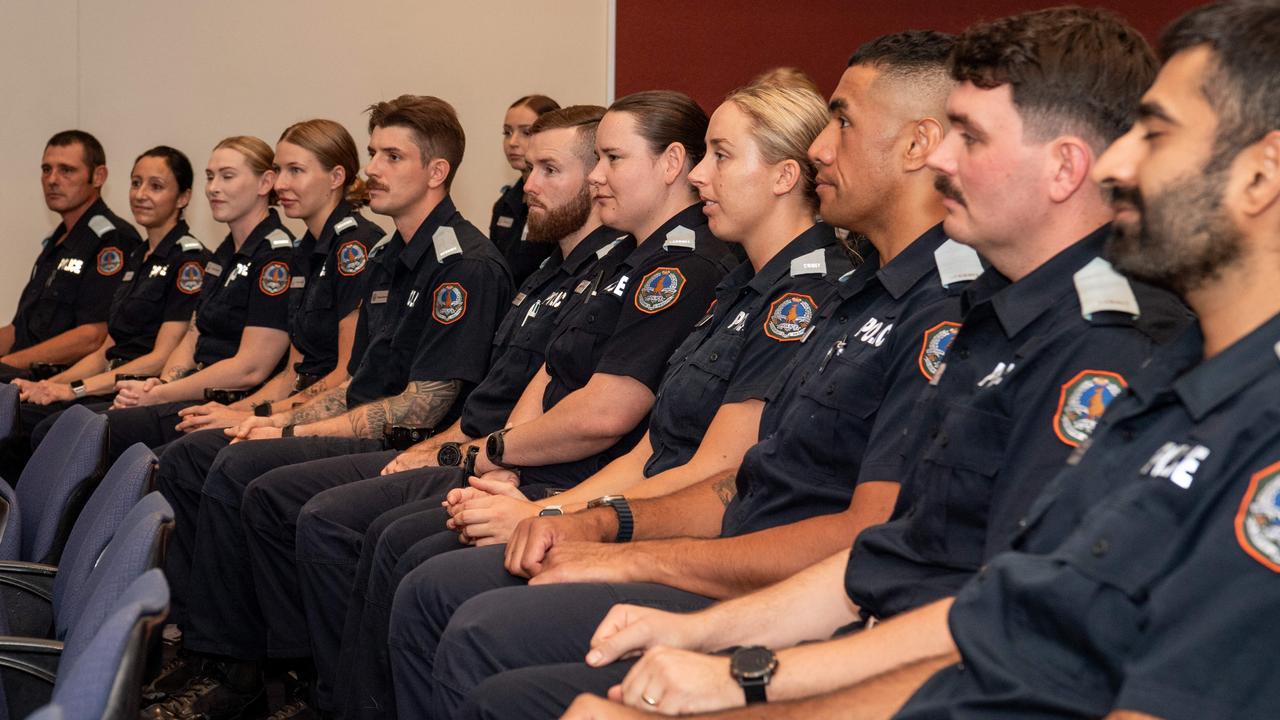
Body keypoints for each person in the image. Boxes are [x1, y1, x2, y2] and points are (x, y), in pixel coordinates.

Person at [395, 11, 1195, 717]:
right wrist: (616, 549)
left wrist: (744, 672)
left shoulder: (1087, 338)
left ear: (1063, 168)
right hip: (824, 616)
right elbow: (817, 522)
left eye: (971, 137)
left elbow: (991, 620)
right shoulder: (973, 310)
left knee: (482, 638)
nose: (943, 160)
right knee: (461, 609)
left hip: (884, 656)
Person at [568, 2, 1280, 718]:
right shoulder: (1164, 367)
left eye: (1155, 134)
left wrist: (746, 688)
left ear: (1263, 175)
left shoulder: (1124, 350)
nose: (1119, 163)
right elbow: (987, 609)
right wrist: (736, 661)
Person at [314, 82, 851, 719]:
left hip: (703, 539)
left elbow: (706, 468)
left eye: (721, 156)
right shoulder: (737, 284)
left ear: (785, 175)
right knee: (411, 562)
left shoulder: (792, 292)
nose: (704, 174)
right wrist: (528, 488)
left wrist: (562, 514)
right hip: (632, 505)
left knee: (440, 593)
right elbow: (652, 444)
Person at [144, 94, 513, 720]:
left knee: (250, 478)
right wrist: (270, 420)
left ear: (437, 171)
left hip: (406, 442)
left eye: (393, 156)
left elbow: (423, 406)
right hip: (367, 425)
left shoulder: (463, 265)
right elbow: (356, 379)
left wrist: (279, 426)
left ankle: (283, 678)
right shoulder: (391, 255)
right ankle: (231, 656)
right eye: (373, 153)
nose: (375, 168)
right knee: (198, 455)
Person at [52, 136, 296, 462]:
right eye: (210, 177)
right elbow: (193, 336)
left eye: (227, 176)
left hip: (230, 400)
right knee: (67, 428)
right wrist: (159, 385)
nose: (213, 188)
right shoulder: (224, 253)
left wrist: (160, 394)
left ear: (266, 182)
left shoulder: (275, 255)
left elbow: (250, 368)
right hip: (191, 391)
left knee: (90, 438)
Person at [0, 146, 206, 477]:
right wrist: (53, 385)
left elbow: (162, 356)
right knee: (23, 405)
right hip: (105, 379)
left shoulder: (188, 260)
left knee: (40, 428)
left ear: (183, 197)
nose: (140, 195)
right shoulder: (138, 256)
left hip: (134, 388)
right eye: (136, 183)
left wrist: (74, 389)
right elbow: (106, 347)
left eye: (155, 186)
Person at [172, 118, 382, 435]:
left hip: (331, 418)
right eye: (278, 170)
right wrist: (233, 412)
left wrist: (259, 417)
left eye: (295, 171)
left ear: (336, 177)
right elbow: (290, 375)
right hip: (295, 406)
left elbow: (344, 376)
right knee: (193, 434)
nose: (280, 184)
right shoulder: (304, 250)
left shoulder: (354, 247)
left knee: (190, 455)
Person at [0, 130, 142, 380]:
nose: (52, 179)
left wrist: (7, 366)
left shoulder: (113, 240)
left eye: (66, 170)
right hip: (21, 373)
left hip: (60, 382)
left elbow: (93, 335)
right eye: (46, 169)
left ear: (98, 176)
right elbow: (20, 328)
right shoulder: (58, 240)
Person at [491, 94, 561, 286]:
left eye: (526, 132)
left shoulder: (562, 203)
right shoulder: (505, 204)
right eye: (507, 132)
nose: (512, 142)